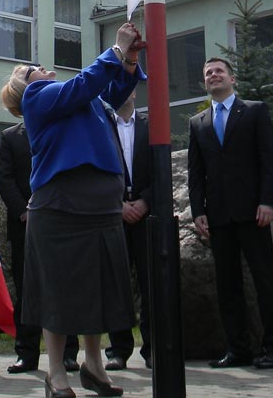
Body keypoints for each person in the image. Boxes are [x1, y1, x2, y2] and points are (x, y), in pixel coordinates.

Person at [0, 22, 145, 398]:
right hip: (61, 207)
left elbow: (113, 92)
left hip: (100, 205)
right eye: (32, 69)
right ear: (25, 86)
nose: (41, 68)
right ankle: (56, 375)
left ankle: (94, 366)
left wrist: (129, 62)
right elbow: (83, 85)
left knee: (97, 288)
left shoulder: (81, 97)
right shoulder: (38, 97)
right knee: (59, 292)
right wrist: (115, 50)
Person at [187, 57, 273, 370]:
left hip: (254, 213)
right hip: (218, 217)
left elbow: (269, 159)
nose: (213, 75)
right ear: (205, 82)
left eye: (219, 71)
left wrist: (268, 201)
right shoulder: (198, 123)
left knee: (264, 281)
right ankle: (237, 349)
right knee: (228, 287)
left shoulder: (255, 111)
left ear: (233, 79)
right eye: (208, 73)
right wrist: (198, 211)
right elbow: (196, 173)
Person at [0, 121, 81, 374]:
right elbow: (5, 179)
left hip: (61, 221)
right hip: (24, 225)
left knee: (65, 288)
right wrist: (25, 211)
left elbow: (72, 173)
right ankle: (26, 353)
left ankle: (69, 354)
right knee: (27, 291)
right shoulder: (10, 137)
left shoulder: (63, 130)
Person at [104, 90, 154, 371]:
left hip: (147, 215)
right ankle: (118, 350)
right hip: (114, 215)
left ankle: (153, 349)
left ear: (134, 91)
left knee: (151, 285)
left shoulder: (152, 124)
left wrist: (145, 201)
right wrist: (118, 204)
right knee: (116, 285)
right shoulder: (100, 127)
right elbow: (96, 170)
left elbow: (162, 167)